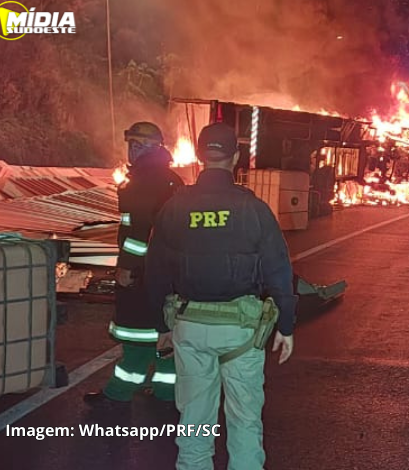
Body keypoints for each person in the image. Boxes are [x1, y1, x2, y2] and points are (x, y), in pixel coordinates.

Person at [145, 122, 297, 470]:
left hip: (190, 326)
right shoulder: (253, 209)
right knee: (244, 419)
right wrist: (285, 326)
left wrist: (161, 325)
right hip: (242, 331)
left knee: (195, 420)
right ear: (237, 157)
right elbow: (278, 270)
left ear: (200, 157)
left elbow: (154, 272)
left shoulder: (174, 208)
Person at [85, 121, 184, 406]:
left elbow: (138, 230)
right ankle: (166, 390)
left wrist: (128, 266)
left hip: (144, 272)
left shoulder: (142, 180)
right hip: (169, 271)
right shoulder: (171, 179)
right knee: (164, 330)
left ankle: (119, 391)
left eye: (132, 145)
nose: (129, 150)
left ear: (142, 147)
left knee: (136, 332)